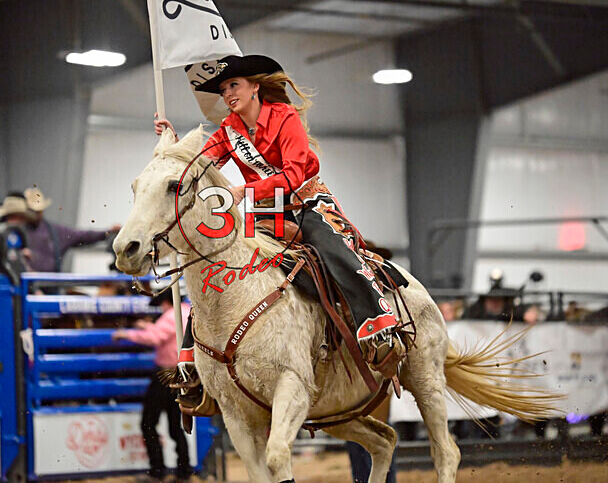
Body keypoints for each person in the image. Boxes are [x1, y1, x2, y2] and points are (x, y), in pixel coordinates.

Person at [153, 54, 404, 378]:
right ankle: (193, 364)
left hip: (305, 203)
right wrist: (172, 141)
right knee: (220, 267)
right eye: (224, 89)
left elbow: (295, 174)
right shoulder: (229, 130)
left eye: (234, 85)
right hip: (265, 211)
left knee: (332, 251)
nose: (228, 93)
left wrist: (246, 191)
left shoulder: (284, 117)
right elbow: (200, 164)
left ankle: (378, 327)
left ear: (255, 87)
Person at [112, 289, 192, 482]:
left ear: (164, 302)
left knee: (148, 422)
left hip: (166, 375)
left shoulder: (170, 315)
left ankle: (157, 471)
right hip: (184, 375)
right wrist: (148, 326)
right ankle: (184, 471)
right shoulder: (186, 311)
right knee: (175, 425)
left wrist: (126, 333)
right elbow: (166, 332)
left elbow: (155, 337)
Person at [22, 187, 119, 272]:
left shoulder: (56, 232)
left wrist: (108, 232)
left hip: (50, 286)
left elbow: (83, 236)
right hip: (25, 286)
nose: (36, 214)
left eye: (38, 211)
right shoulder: (18, 232)